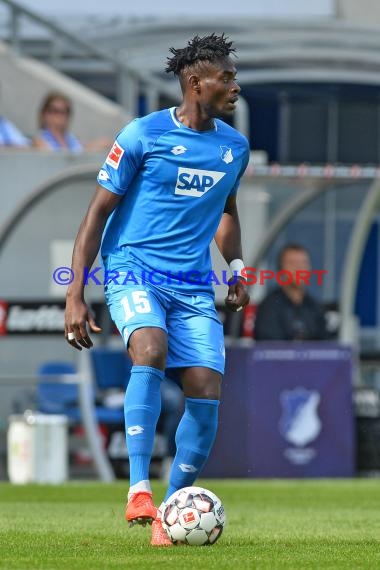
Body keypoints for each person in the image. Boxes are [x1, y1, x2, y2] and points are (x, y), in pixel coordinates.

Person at [64, 33, 250, 546]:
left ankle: (171, 515)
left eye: (234, 77)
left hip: (193, 285)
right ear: (196, 82)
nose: (235, 86)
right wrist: (75, 292)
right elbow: (96, 213)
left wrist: (234, 266)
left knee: (206, 390)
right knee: (149, 347)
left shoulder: (233, 147)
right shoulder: (143, 135)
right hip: (133, 269)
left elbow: (226, 213)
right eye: (226, 77)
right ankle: (138, 490)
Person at [254, 243, 329, 341]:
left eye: (304, 263)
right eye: (292, 263)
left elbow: (326, 346)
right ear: (281, 270)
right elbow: (270, 349)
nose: (299, 268)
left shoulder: (315, 307)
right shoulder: (270, 307)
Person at [33, 91, 110, 152]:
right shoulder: (40, 140)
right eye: (55, 110)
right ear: (44, 113)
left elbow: (81, 149)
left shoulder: (70, 138)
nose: (60, 115)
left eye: (65, 111)